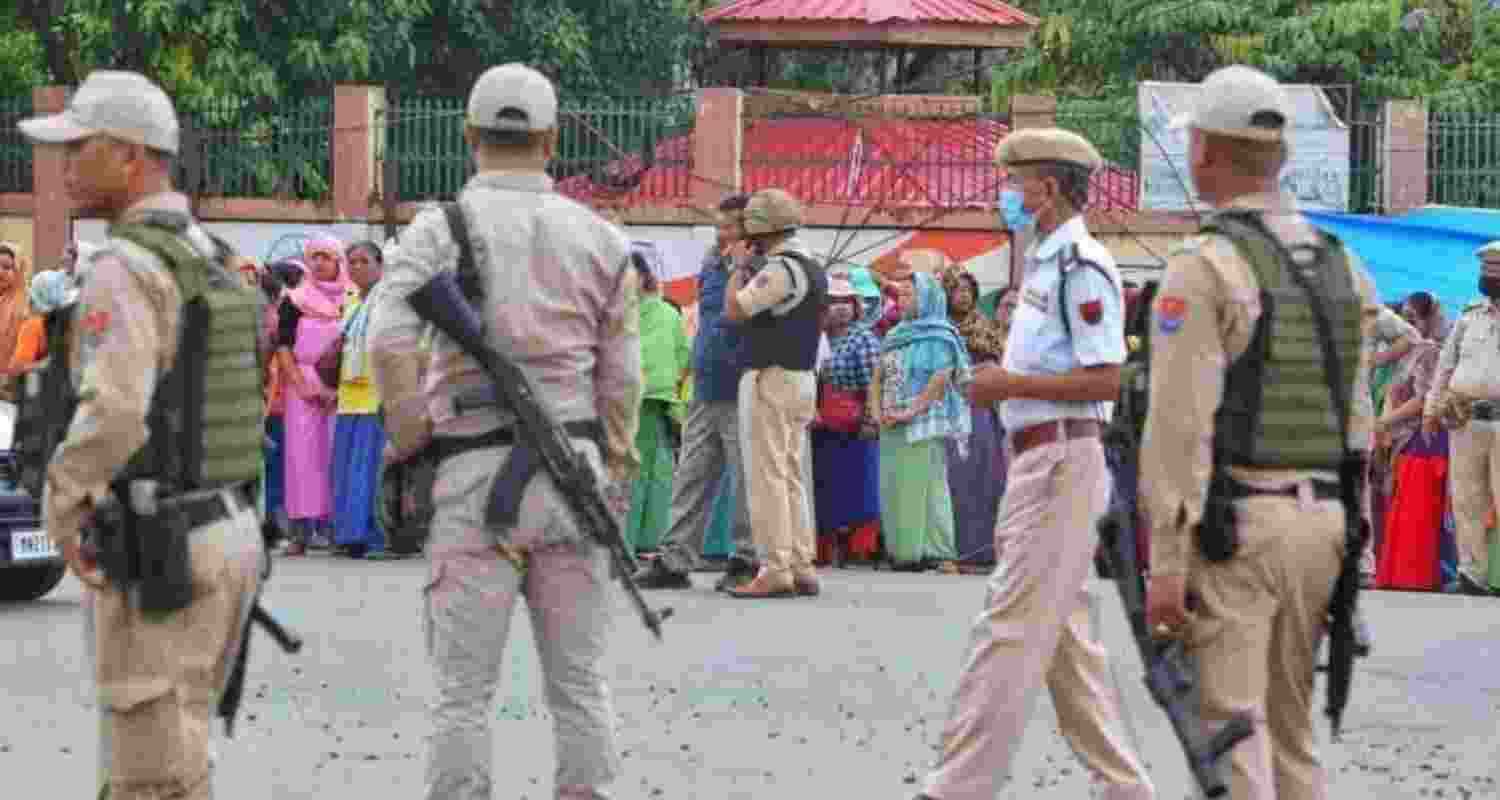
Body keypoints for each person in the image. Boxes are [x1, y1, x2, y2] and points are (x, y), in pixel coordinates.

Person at [368, 62, 639, 800]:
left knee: (463, 693)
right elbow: (623, 379)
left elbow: (389, 341)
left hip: (469, 469)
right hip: (576, 471)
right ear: (551, 140)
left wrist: (409, 430)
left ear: (467, 136)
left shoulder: (437, 230)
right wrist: (614, 461)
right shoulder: (602, 238)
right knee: (580, 686)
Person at [19, 69, 265, 800]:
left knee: (148, 780)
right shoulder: (208, 253)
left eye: (79, 147)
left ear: (130, 155)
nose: (63, 167)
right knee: (177, 761)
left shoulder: (125, 266)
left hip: (163, 540)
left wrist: (60, 510)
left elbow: (116, 412)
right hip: (224, 523)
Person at [1140, 64, 1380, 800]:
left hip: (1240, 527)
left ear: (1208, 150)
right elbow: (1357, 426)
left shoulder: (1205, 267)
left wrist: (1167, 561)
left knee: (1234, 733)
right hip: (1326, 526)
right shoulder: (1344, 267)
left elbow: (1180, 429)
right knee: (1292, 735)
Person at [915, 126, 1154, 800]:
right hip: (1041, 459)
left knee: (1010, 626)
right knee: (1067, 644)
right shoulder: (1047, 261)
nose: (1006, 195)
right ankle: (1125, 788)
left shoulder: (1082, 263)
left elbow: (1108, 378)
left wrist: (1009, 385)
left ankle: (953, 789)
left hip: (1062, 458)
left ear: (1046, 188)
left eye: (1014, 182)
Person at [633, 194, 762, 591]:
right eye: (719, 225)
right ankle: (674, 559)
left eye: (731, 227)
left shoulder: (763, 267)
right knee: (689, 474)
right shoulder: (709, 262)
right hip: (704, 385)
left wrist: (742, 267)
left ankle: (745, 559)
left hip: (742, 384)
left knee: (744, 477)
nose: (722, 233)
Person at [722, 187, 828, 599]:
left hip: (772, 377)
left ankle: (774, 567)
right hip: (802, 379)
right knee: (790, 475)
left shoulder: (781, 269)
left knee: (767, 476)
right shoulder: (812, 266)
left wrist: (737, 269)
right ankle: (801, 563)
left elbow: (735, 310)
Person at [877, 271, 969, 571]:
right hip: (892, 417)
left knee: (924, 484)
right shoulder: (895, 334)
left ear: (927, 297)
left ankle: (931, 551)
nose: (901, 300)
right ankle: (903, 550)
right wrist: (877, 410)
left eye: (908, 294)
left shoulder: (940, 334)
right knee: (895, 484)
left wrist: (911, 411)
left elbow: (940, 378)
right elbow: (879, 375)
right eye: (899, 294)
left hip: (924, 419)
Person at [1424, 243, 1500, 595]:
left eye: (1495, 270)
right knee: (1467, 497)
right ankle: (1473, 574)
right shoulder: (1469, 317)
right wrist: (1431, 410)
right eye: (1486, 270)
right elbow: (1444, 366)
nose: (1490, 276)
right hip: (1465, 418)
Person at [276, 238, 349, 554]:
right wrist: (302, 386)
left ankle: (336, 528)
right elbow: (283, 346)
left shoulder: (352, 298)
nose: (319, 262)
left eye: (326, 256)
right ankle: (300, 533)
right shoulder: (294, 300)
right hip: (301, 386)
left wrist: (339, 389)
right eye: (313, 257)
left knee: (335, 455)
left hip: (342, 388)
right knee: (302, 458)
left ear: (338, 261)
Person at [1375, 292, 1449, 590]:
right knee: (1400, 509)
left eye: (1414, 318)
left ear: (1429, 319)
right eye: (1404, 317)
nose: (1408, 324)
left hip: (1423, 441)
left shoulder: (1429, 351)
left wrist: (1383, 422)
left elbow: (1423, 400)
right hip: (1402, 439)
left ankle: (1415, 576)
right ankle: (1398, 575)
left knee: (1415, 512)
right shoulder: (1402, 353)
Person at [810, 269, 881, 566]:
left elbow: (873, 383)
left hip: (855, 425)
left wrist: (869, 419)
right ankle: (827, 548)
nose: (840, 307)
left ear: (856, 306)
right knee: (826, 486)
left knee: (858, 485)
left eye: (846, 301)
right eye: (833, 300)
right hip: (823, 425)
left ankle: (858, 549)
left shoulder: (862, 337)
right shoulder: (817, 337)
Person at [939, 266, 1007, 567]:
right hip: (943, 407)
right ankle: (950, 548)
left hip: (978, 409)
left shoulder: (985, 326)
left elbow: (997, 364)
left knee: (982, 476)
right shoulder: (936, 328)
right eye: (957, 290)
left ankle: (982, 549)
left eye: (968, 290)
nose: (963, 296)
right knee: (950, 478)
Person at [625, 246, 690, 556]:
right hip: (660, 403)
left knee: (635, 474)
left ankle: (632, 542)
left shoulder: (624, 312)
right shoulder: (668, 312)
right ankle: (648, 541)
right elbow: (682, 359)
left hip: (639, 402)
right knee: (656, 473)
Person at [331, 240, 389, 558]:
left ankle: (373, 536)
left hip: (375, 397)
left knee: (367, 472)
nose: (356, 267)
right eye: (351, 262)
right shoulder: (352, 302)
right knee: (345, 471)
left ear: (380, 265)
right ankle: (348, 535)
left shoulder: (388, 300)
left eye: (363, 261)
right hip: (348, 398)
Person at [5, 270, 77, 374]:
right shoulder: (73, 321)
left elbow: (16, 369)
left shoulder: (33, 325)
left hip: (42, 386)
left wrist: (47, 364)